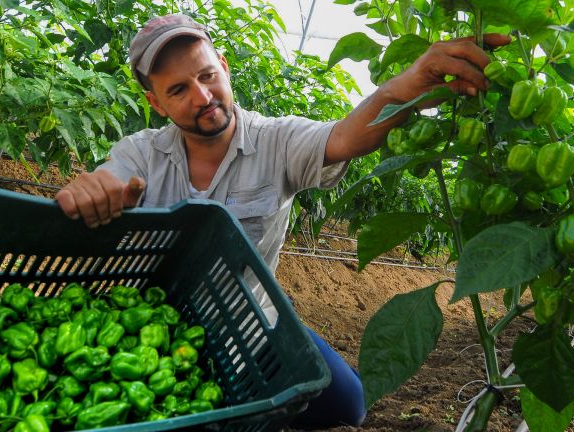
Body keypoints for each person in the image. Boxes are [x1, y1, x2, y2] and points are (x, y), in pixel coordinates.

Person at [56, 13, 510, 428]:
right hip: (155, 324)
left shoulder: (276, 141)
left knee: (348, 404)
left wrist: (404, 87)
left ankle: (284, 362)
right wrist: (95, 189)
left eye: (207, 75)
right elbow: (110, 176)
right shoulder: (141, 152)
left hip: (252, 319)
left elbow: (345, 136)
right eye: (178, 90)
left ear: (224, 68)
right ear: (156, 102)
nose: (203, 96)